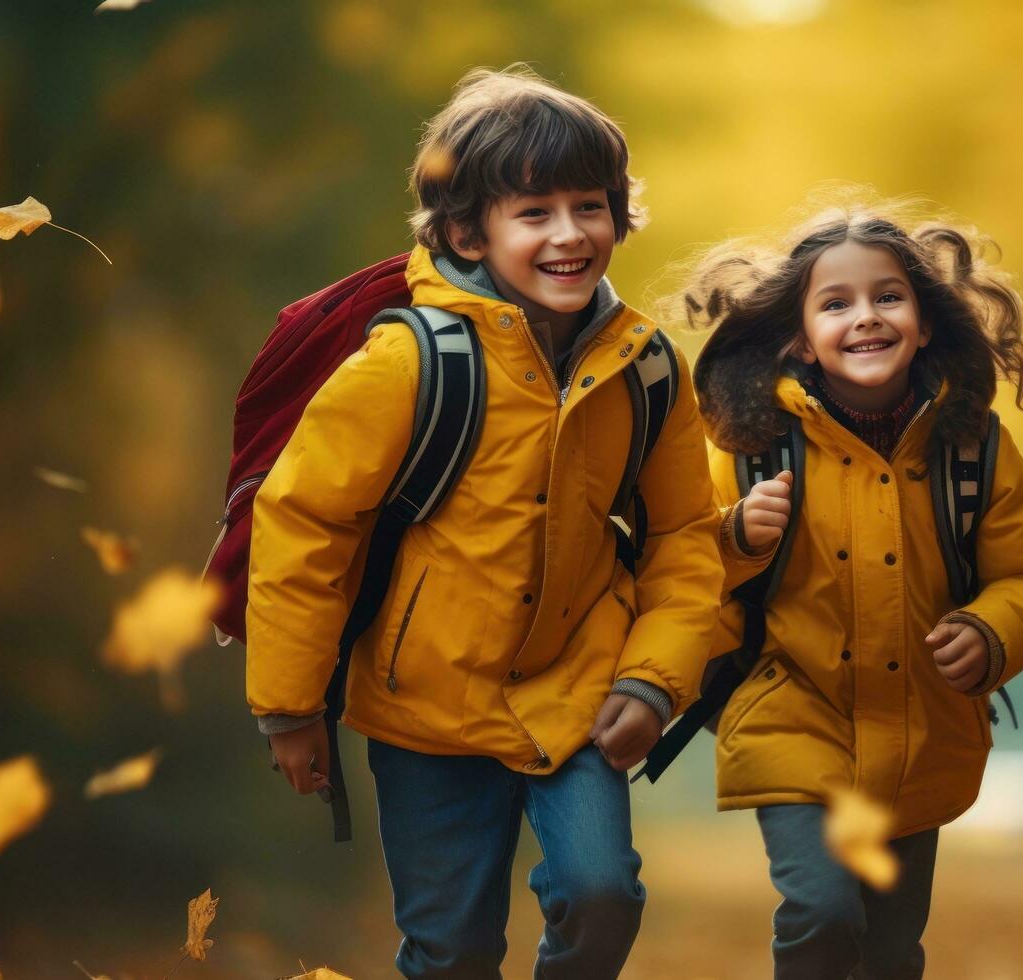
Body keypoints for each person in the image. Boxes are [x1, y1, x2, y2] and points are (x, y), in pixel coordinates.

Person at [245, 66, 722, 979]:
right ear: (468, 229)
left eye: (590, 206)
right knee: (450, 949)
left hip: (579, 691)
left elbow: (681, 538)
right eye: (534, 211)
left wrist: (657, 679)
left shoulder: (648, 367)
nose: (570, 234)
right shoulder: (406, 363)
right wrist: (289, 706)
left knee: (601, 894)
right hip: (426, 709)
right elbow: (306, 526)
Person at [680, 195, 1023, 979]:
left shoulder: (970, 447)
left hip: (921, 731)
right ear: (800, 336)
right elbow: (680, 571)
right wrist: (734, 538)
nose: (865, 317)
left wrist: (992, 630)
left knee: (890, 952)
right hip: (789, 718)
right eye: (836, 302)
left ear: (924, 323)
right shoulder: (749, 447)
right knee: (821, 913)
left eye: (887, 297)